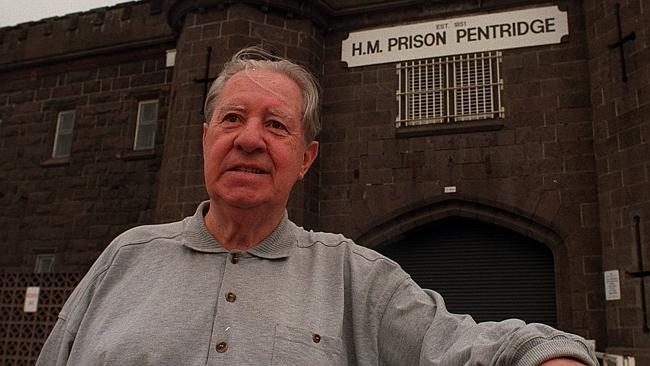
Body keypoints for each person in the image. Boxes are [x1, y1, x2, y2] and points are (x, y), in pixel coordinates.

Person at [37, 47, 597, 365]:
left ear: (305, 158)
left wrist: (548, 358)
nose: (250, 139)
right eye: (233, 118)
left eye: (275, 125)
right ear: (205, 137)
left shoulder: (355, 277)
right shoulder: (125, 258)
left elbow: (461, 344)